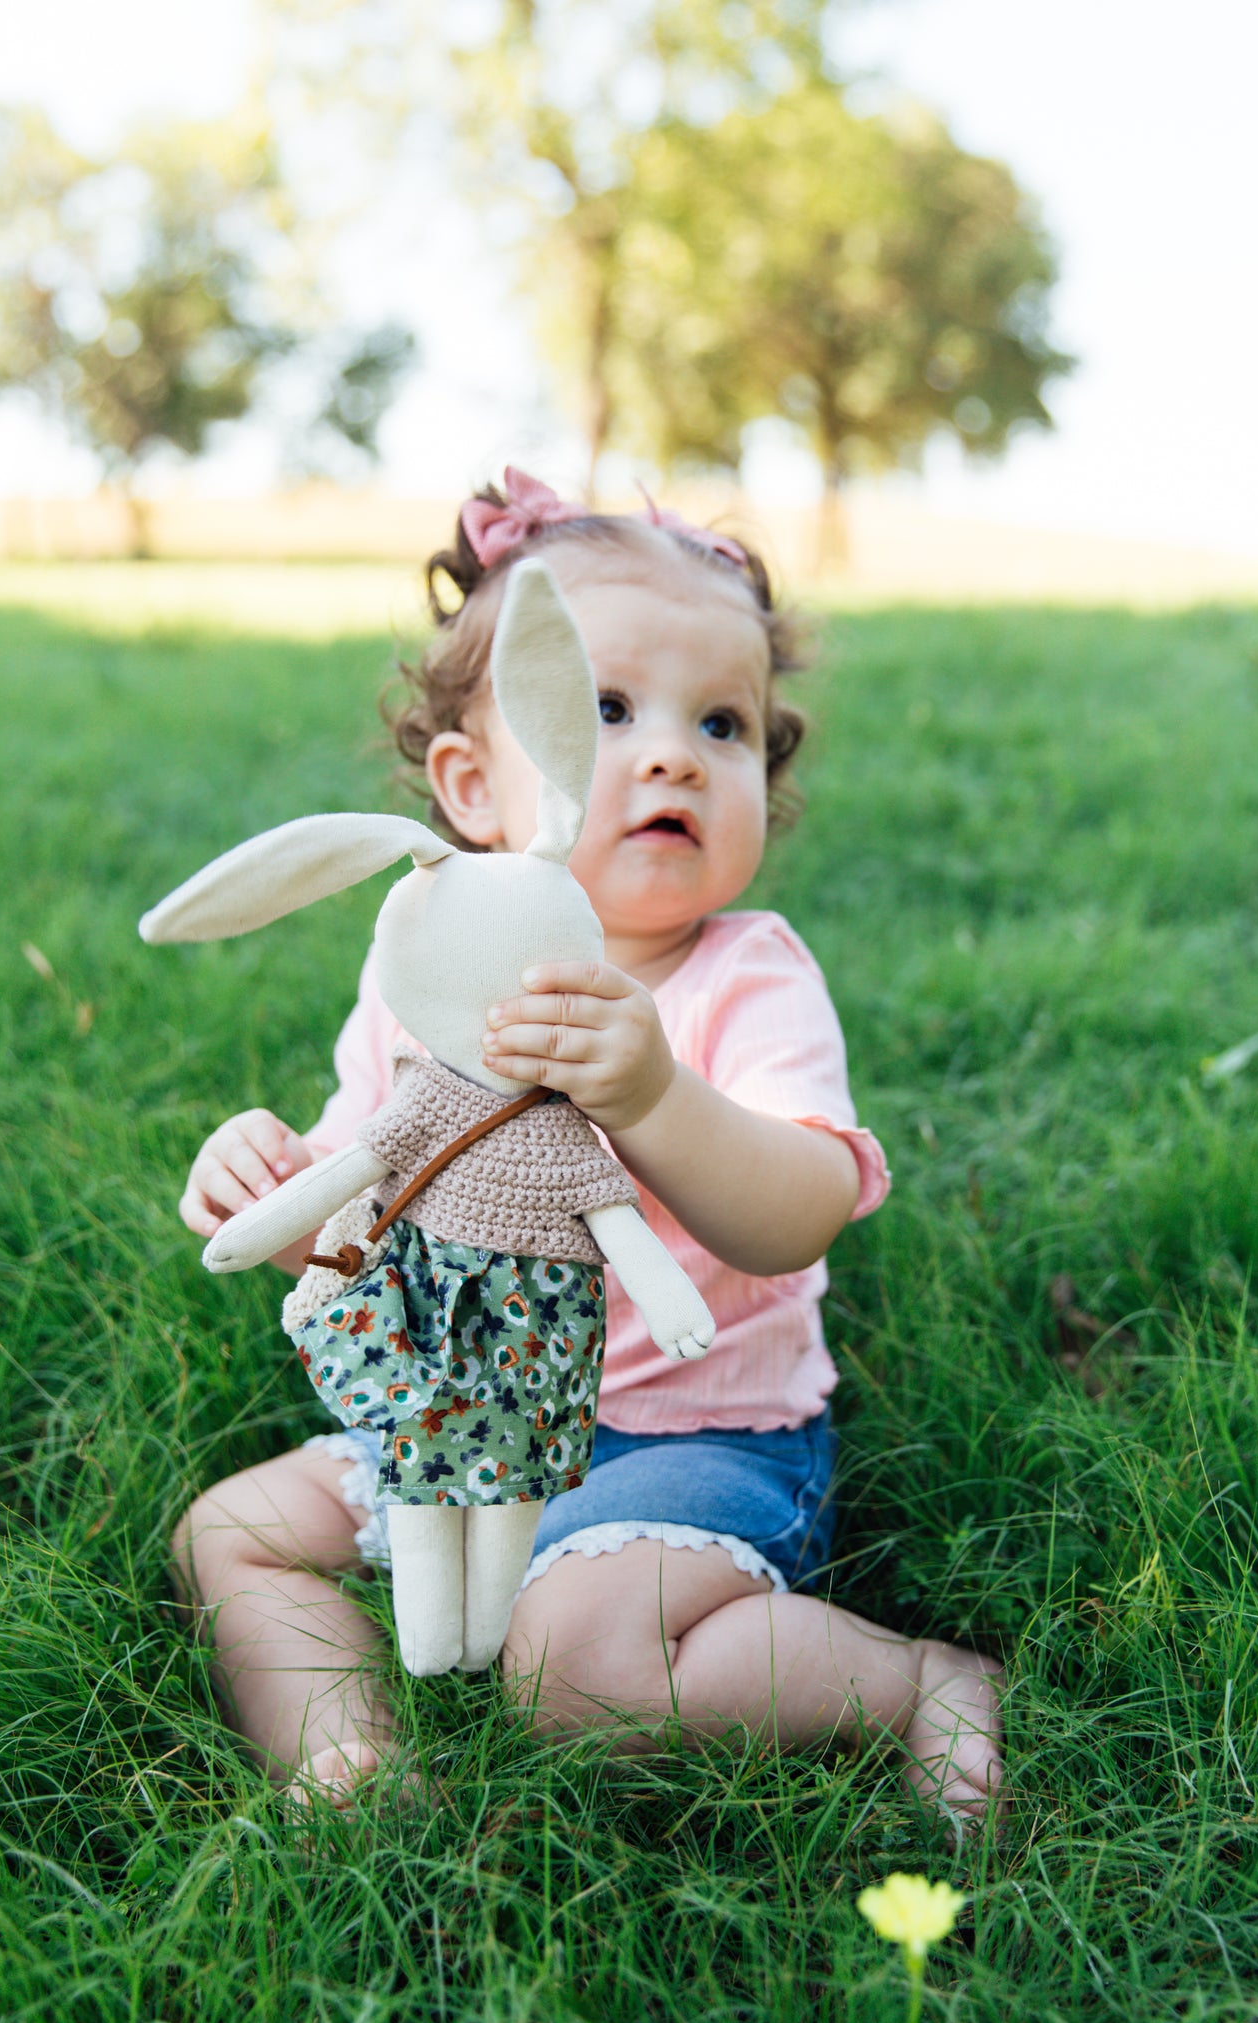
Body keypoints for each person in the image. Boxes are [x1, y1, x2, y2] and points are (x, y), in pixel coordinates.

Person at [170, 468, 1003, 1825]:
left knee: (578, 1681)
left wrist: (655, 1093)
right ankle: (345, 1763)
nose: (674, 753)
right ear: (472, 785)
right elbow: (366, 1200)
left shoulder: (746, 979)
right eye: (605, 710)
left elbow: (791, 1214)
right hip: (461, 1417)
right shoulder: (418, 973)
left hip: (690, 1433)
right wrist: (266, 1182)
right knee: (236, 1536)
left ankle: (914, 1681)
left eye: (721, 725)